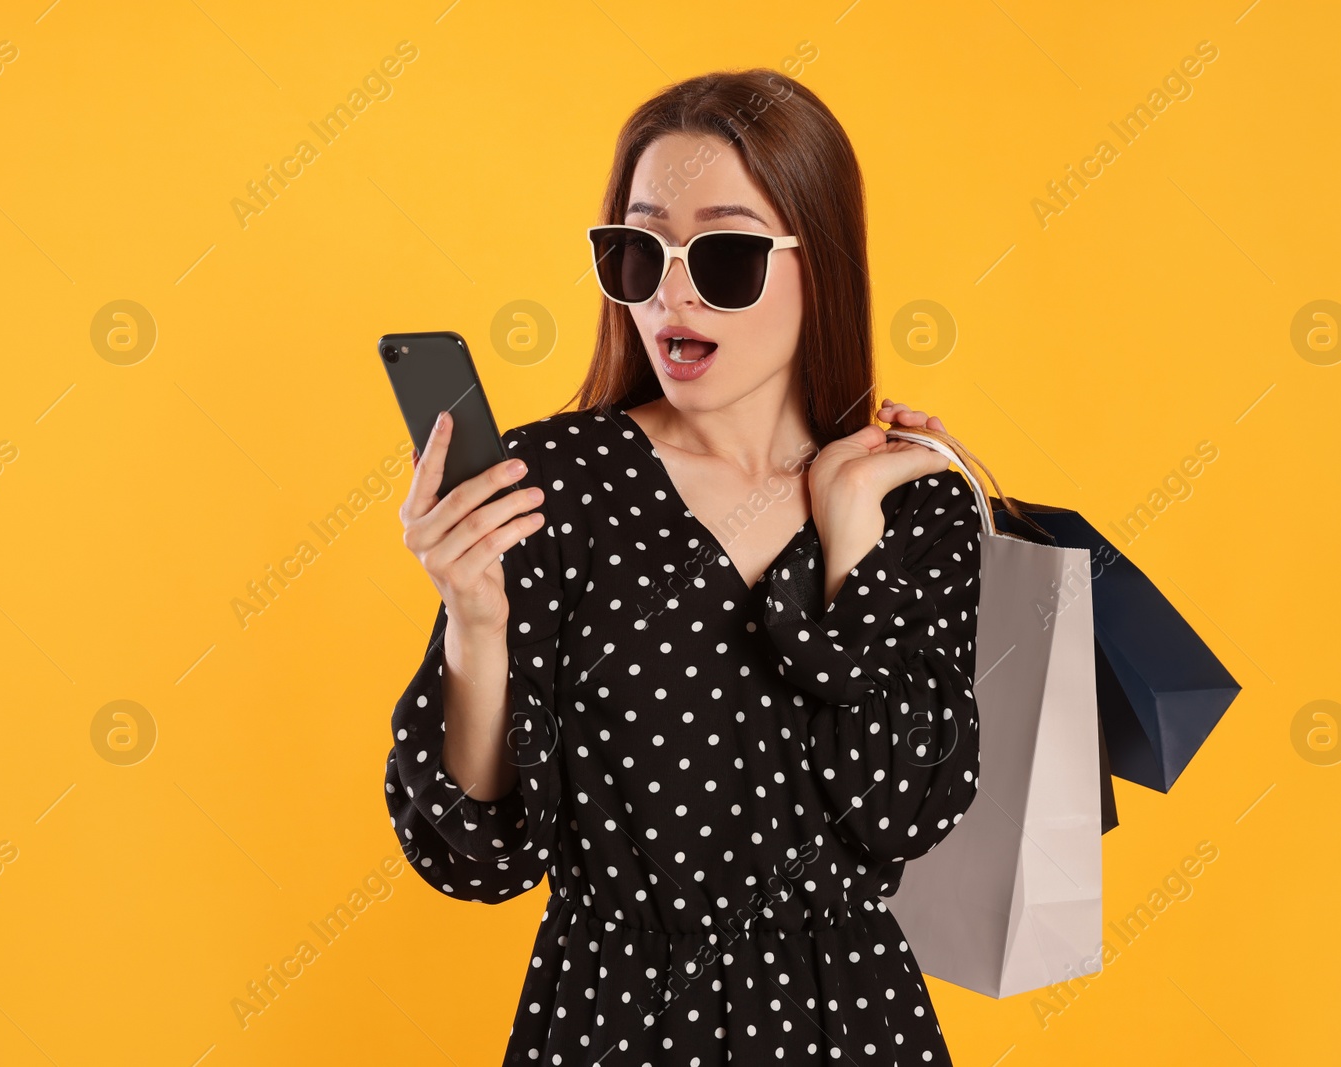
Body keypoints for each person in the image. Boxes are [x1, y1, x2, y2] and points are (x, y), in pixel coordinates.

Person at [385, 68, 983, 1065]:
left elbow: (903, 806)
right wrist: (473, 622)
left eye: (726, 253)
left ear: (822, 261)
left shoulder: (910, 501)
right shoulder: (552, 486)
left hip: (847, 1026)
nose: (670, 289)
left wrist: (847, 547)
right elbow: (480, 855)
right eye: (638, 247)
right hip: (611, 1021)